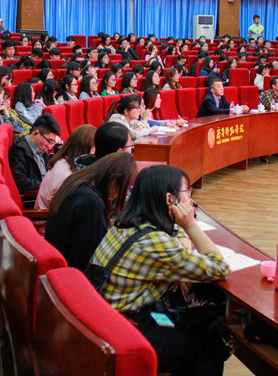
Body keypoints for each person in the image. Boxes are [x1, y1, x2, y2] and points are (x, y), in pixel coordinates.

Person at [89, 165, 231, 376]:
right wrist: (190, 225)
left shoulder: (124, 225)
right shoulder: (155, 243)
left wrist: (181, 239)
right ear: (169, 199)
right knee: (209, 347)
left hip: (104, 321)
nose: (190, 199)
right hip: (124, 332)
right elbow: (220, 267)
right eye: (187, 191)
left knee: (191, 330)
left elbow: (171, 238)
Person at [45, 152, 137, 270]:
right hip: (71, 272)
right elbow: (89, 258)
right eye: (125, 188)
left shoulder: (77, 181)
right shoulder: (91, 203)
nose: (121, 194)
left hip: (59, 264)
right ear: (114, 180)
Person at [35, 124, 95, 210]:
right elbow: (63, 209)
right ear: (85, 149)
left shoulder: (63, 162)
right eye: (94, 148)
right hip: (45, 216)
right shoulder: (65, 174)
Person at [9, 114, 62, 194]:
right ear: (35, 134)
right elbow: (20, 181)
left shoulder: (40, 146)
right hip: (37, 195)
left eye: (53, 142)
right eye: (49, 141)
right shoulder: (19, 150)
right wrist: (47, 185)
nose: (49, 146)